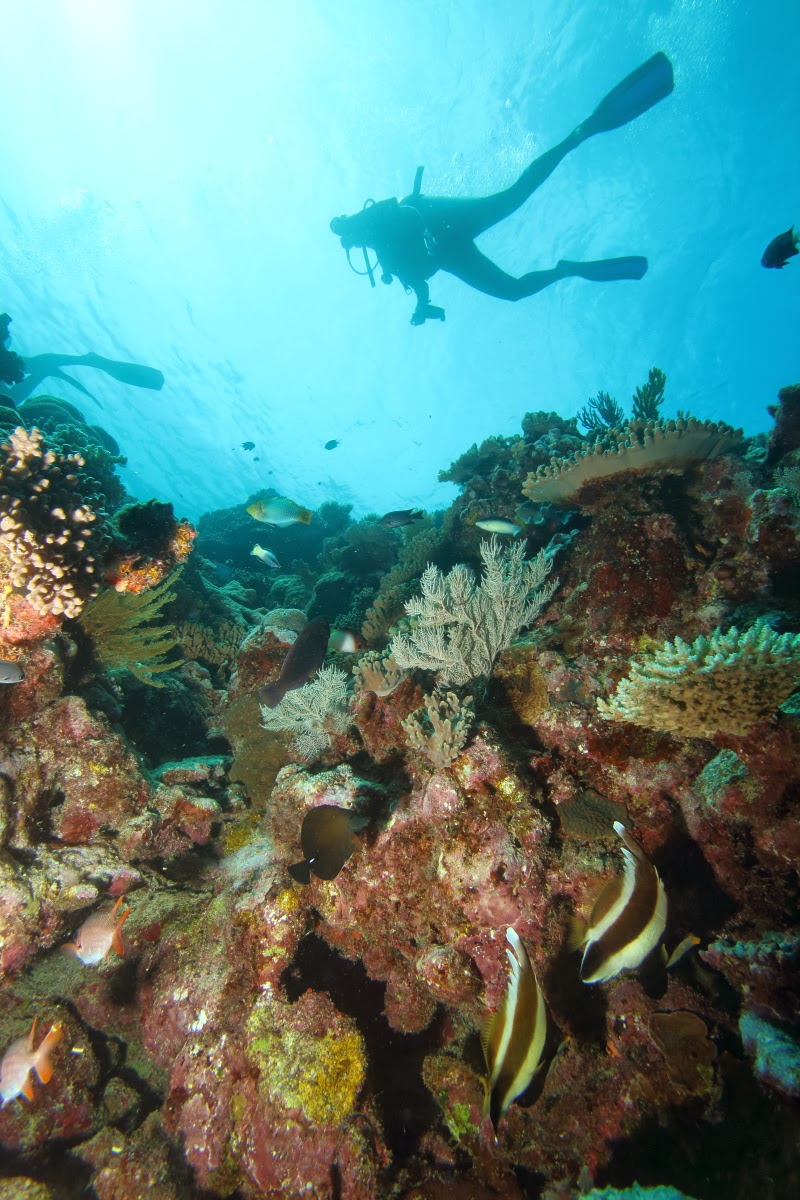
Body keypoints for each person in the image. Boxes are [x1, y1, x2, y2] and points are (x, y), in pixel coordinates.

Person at [330, 52, 674, 326]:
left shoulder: (377, 222)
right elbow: (418, 283)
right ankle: (565, 270)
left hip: (442, 219)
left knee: (512, 198)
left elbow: (397, 214)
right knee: (512, 291)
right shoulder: (388, 260)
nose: (355, 241)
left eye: (353, 236)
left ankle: (578, 135)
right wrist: (423, 306)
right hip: (451, 254)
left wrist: (347, 225)